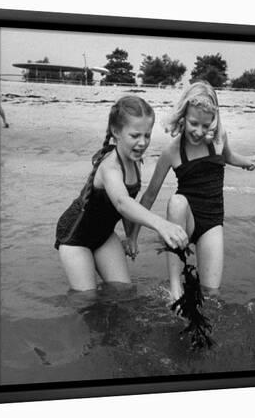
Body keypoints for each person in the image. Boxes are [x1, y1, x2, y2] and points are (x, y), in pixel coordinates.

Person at [127, 81, 255, 300]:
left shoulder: (218, 139)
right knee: (177, 201)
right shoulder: (172, 151)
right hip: (184, 220)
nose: (198, 131)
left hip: (211, 222)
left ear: (213, 121)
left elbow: (230, 157)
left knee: (211, 293)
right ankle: (175, 289)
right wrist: (133, 236)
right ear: (183, 116)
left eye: (205, 126)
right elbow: (150, 195)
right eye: (193, 123)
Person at [54, 96, 188, 291]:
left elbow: (128, 207)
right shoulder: (110, 167)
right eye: (135, 136)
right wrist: (161, 225)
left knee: (124, 292)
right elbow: (122, 203)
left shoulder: (134, 161)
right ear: (116, 132)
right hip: (75, 237)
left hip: (104, 235)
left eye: (147, 135)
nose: (142, 143)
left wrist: (130, 236)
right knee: (87, 299)